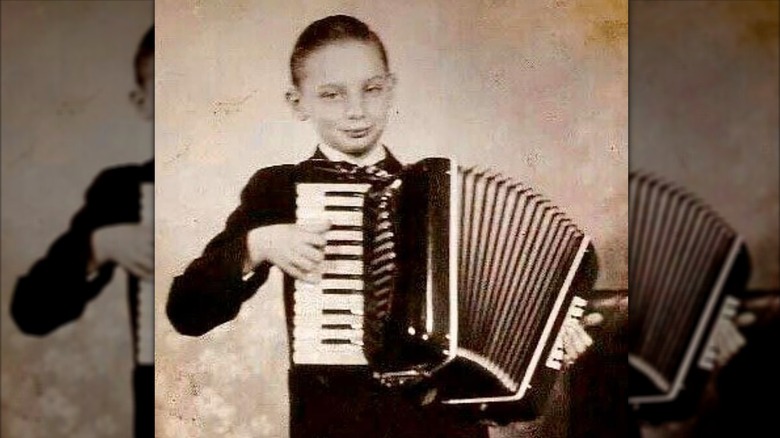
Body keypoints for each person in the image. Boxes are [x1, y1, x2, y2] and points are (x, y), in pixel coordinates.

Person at [166, 15, 597, 438]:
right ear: (298, 103)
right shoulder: (280, 190)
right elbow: (187, 312)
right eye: (332, 95)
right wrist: (254, 245)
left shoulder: (437, 197)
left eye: (370, 90)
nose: (356, 111)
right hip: (337, 423)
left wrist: (547, 344)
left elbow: (498, 334)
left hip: (441, 429)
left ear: (390, 89)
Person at [10, 26, 155, 438]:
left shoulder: (267, 184)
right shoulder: (124, 191)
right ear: (142, 103)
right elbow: (30, 311)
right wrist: (98, 246)